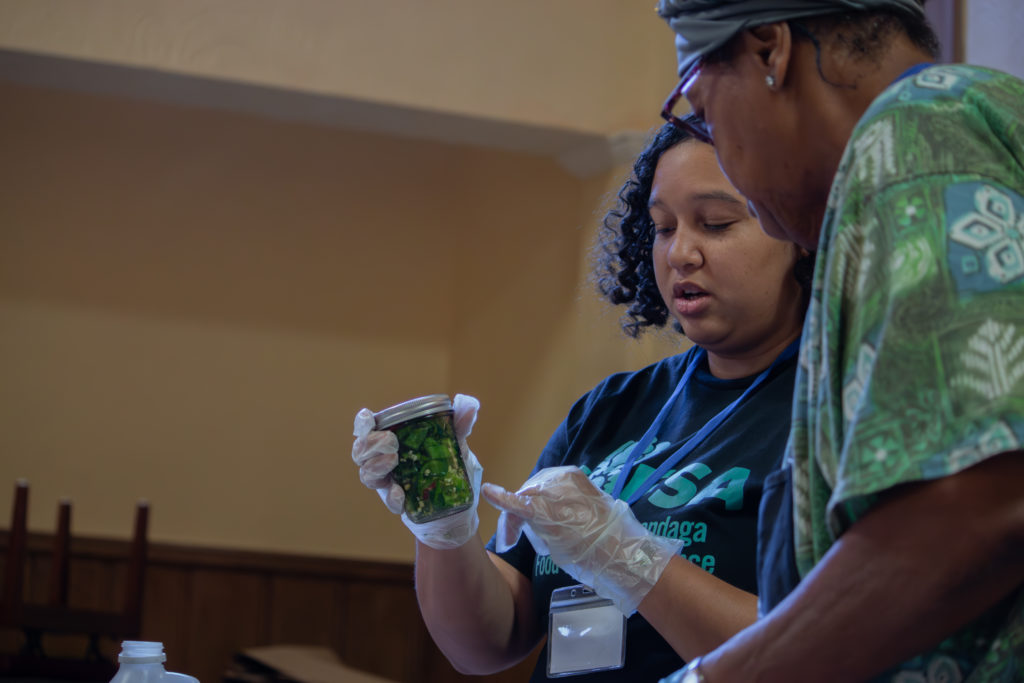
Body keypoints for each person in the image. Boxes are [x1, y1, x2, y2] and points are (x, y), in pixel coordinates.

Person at [352, 123, 811, 681]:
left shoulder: (832, 411)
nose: (680, 253)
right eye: (663, 227)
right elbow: (486, 644)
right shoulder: (612, 407)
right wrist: (444, 523)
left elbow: (814, 653)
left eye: (715, 223)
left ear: (801, 232)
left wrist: (628, 558)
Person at [652, 1, 1024, 681]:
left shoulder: (917, 129)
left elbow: (978, 500)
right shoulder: (963, 125)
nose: (724, 159)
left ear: (769, 50)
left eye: (705, 116)